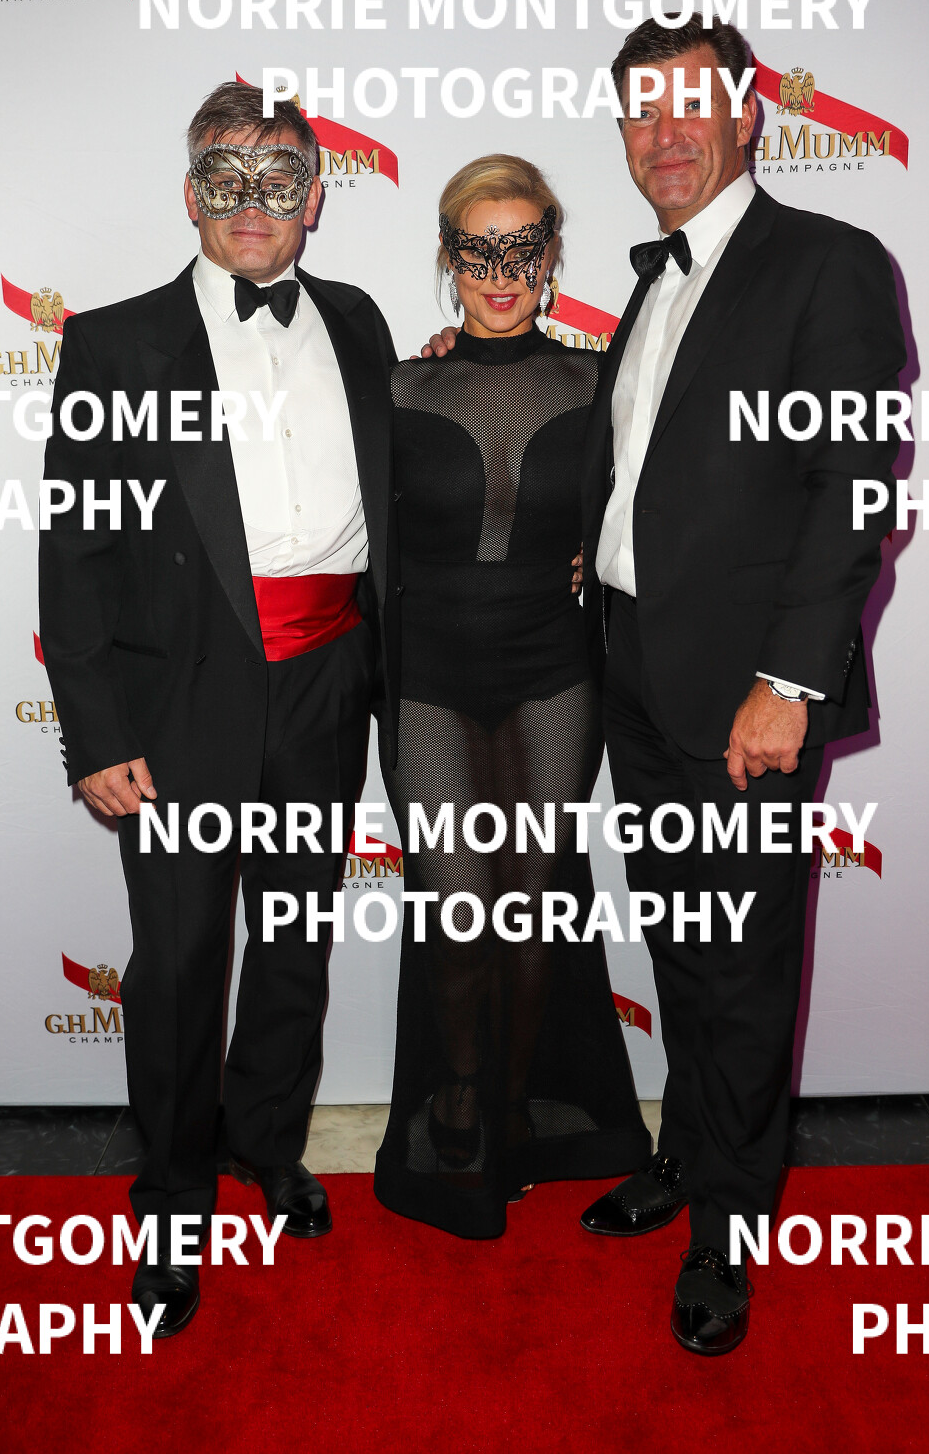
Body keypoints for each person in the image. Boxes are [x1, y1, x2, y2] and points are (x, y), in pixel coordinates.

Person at [426, 17, 904, 1352]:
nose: (665, 133)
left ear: (749, 113)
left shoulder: (828, 263)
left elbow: (851, 485)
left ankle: (728, 1228)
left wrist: (788, 680)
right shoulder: (652, 284)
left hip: (748, 692)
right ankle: (688, 1155)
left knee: (741, 966)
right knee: (685, 946)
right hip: (632, 671)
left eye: (692, 105)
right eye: (640, 113)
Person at [38, 82, 398, 1336]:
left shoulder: (357, 320)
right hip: (179, 698)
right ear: (190, 195)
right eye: (227, 179)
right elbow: (75, 551)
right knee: (184, 961)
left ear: (314, 198)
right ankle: (174, 1197)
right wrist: (95, 732)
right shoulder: (114, 344)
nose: (254, 204)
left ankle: (268, 1146)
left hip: (328, 680)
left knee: (293, 940)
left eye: (279, 179)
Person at [374, 155, 653, 1240]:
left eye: (521, 248)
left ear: (550, 256)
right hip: (429, 683)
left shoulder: (600, 381)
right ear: (448, 259)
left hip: (553, 674)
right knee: (456, 910)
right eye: (477, 250)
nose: (500, 273)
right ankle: (456, 1088)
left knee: (532, 906)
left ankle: (512, 1100)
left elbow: (661, 498)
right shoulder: (397, 388)